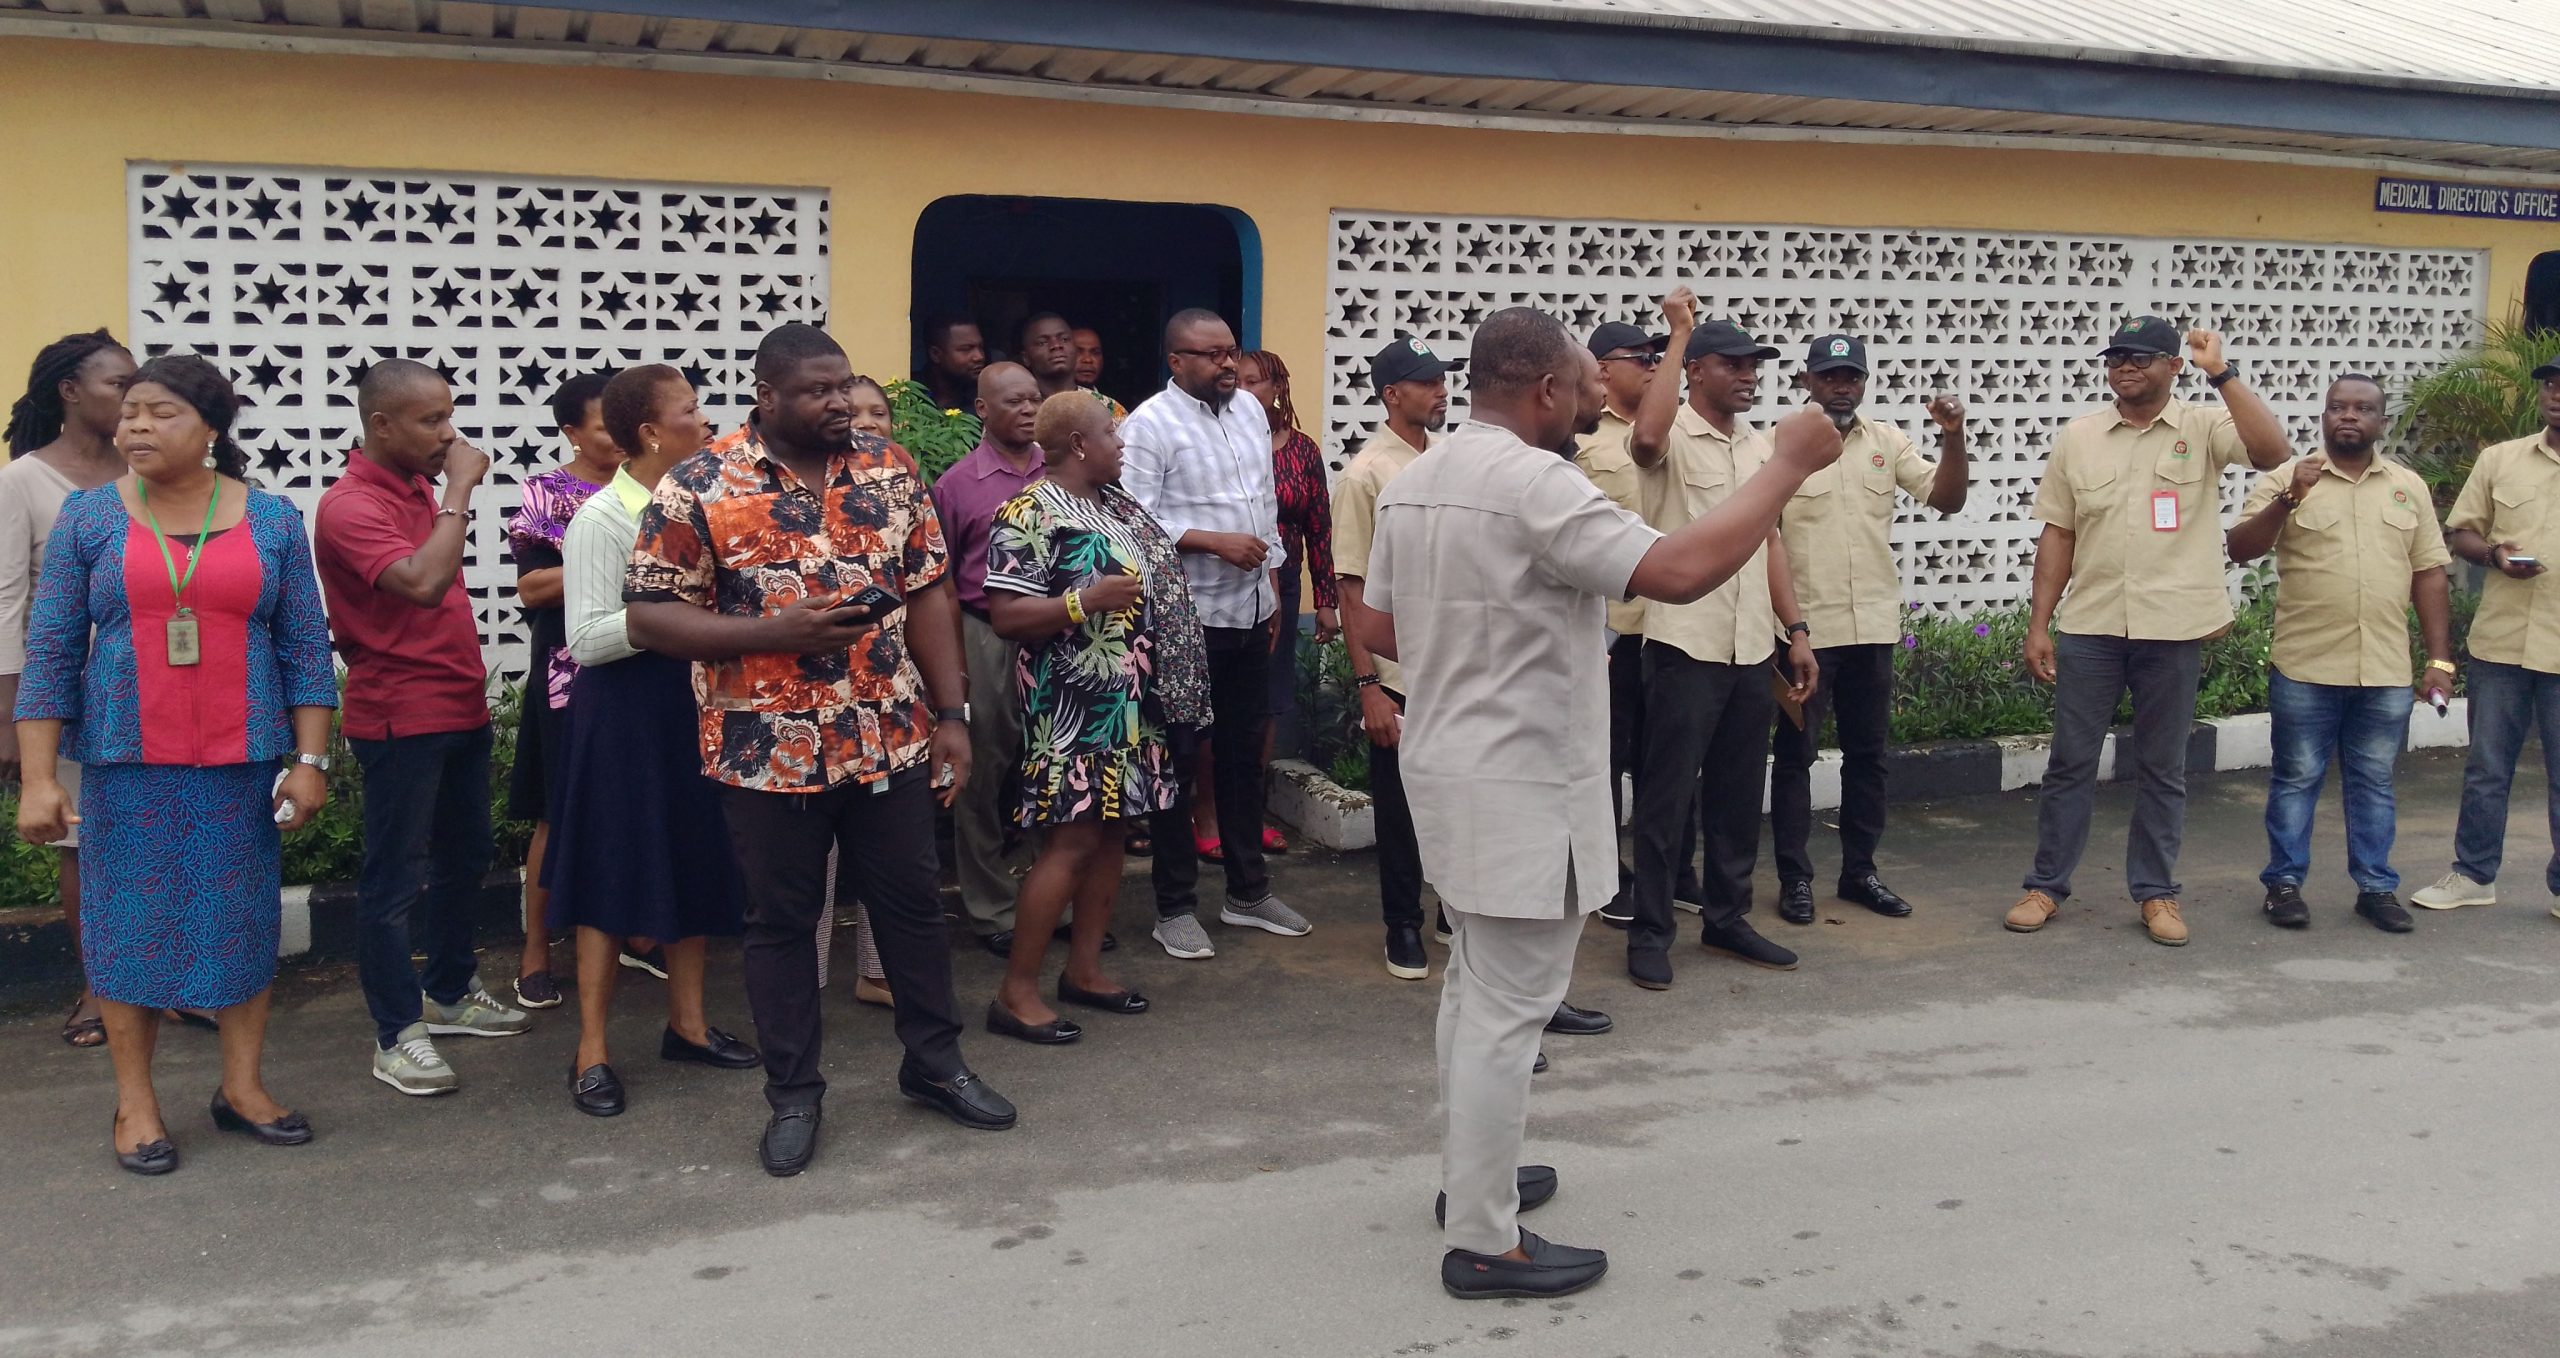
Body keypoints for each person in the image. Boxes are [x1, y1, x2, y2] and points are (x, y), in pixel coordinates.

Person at [1353, 305, 1841, 1299]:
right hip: (1517, 780)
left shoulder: (1421, 478)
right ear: (1543, 390)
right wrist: (1783, 465)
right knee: (1507, 1010)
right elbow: (1679, 569)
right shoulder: (1535, 481)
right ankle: (1485, 1237)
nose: (1592, 400)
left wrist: (1478, 644)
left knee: (1472, 988)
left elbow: (1379, 621)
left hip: (1450, 767)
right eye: (1582, 384)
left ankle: (1471, 1180)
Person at [626, 322, 1013, 1177]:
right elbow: (650, 616)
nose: (839, 402)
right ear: (767, 396)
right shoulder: (699, 485)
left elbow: (929, 592)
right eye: (817, 390)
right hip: (768, 751)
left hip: (890, 737)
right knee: (781, 927)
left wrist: (953, 713)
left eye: (844, 386)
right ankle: (794, 1093)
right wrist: (771, 630)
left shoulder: (890, 468)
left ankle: (935, 1064)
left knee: (912, 908)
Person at [13, 353, 339, 1174]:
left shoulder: (271, 520)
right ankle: (137, 1101)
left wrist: (309, 759)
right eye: (129, 414)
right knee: (128, 930)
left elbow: (304, 648)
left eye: (159, 414)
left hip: (239, 763)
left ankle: (242, 1089)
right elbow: (50, 653)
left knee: (241, 925)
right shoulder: (90, 518)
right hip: (129, 764)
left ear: (211, 429)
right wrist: (42, 776)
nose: (136, 428)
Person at [2003, 317, 2291, 945]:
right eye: (2116, 357)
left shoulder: (2204, 425)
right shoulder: (2079, 437)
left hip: (2172, 628)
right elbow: (2058, 533)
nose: (2125, 367)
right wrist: (2038, 624)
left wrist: (2222, 372)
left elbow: (2273, 453)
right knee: (2070, 763)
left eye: (2140, 356)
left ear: (2173, 366)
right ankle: (2046, 886)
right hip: (2093, 626)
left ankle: (2157, 894)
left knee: (2162, 768)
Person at [544, 364, 757, 1116]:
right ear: (649, 433)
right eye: (692, 411)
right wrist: (680, 616)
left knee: (695, 857)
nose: (706, 424)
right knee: (611, 875)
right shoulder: (603, 519)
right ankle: (593, 1049)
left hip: (694, 702)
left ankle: (689, 1025)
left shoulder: (707, 504)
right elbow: (589, 639)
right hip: (625, 717)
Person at [315, 358, 531, 1097]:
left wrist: (442, 493)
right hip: (400, 716)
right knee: (394, 878)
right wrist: (460, 491)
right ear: (381, 424)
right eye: (430, 420)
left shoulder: (414, 488)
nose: (449, 433)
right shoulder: (349, 506)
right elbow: (422, 583)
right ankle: (395, 1034)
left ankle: (448, 993)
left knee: (467, 855)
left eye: (448, 415)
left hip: (458, 704)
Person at [979, 391, 1210, 1042]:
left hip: (1133, 703)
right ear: (1079, 444)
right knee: (1072, 842)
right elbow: (1006, 616)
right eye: (1112, 435)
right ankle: (1015, 993)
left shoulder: (1109, 506)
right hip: (1072, 706)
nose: (1122, 444)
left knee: (1112, 834)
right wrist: (1086, 601)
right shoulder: (1028, 511)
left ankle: (1083, 971)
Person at [1622, 316, 1816, 988]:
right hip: (1684, 642)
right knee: (1667, 799)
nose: (1748, 376)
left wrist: (1795, 631)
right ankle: (1650, 933)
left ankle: (1727, 919)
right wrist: (1677, 336)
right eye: (1732, 364)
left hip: (1749, 645)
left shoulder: (1762, 450)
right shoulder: (1670, 436)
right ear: (1697, 370)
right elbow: (1644, 438)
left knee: (1738, 794)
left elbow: (1771, 543)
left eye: (1753, 365)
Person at [2227, 374, 2452, 932]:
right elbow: (2240, 548)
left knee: (2373, 781)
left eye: (2362, 409)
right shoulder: (2289, 477)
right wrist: (2287, 499)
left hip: (2384, 668)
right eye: (2337, 408)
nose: (2348, 417)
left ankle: (2376, 889)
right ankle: (2283, 885)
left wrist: (2439, 660)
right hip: (2306, 665)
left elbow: (2429, 573)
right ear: (2324, 417)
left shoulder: (2408, 487)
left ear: (2381, 421)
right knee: (2297, 777)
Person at [1120, 308, 1311, 960]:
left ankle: (1247, 892)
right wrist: (1208, 542)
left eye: (1230, 352)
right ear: (1176, 361)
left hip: (1251, 615)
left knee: (1240, 759)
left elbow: (1263, 506)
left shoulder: (1251, 414)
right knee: (1178, 763)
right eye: (1209, 355)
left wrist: (1276, 594)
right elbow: (1131, 522)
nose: (1226, 365)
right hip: (1183, 623)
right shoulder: (1149, 426)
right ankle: (1173, 906)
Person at [1769, 334, 1970, 925]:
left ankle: (1859, 873)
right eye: (1830, 375)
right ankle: (1794, 879)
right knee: (1794, 757)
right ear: (1806, 380)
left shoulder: (1886, 442)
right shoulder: (1777, 445)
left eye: (1852, 375)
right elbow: (1765, 539)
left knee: (1868, 758)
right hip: (1803, 634)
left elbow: (1948, 498)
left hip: (1871, 629)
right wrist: (1790, 626)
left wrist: (1953, 437)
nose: (1842, 385)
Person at [2, 329, 136, 1049]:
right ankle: (98, 988)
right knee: (87, 847)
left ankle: (166, 985)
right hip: (72, 697)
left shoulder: (148, 471)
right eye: (117, 383)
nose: (131, 397)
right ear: (70, 390)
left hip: (157, 690)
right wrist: (12, 714)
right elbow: (6, 602)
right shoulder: (25, 481)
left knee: (159, 838)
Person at [2411, 358, 2560, 916]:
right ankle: (2473, 875)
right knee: (2487, 768)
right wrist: (2495, 555)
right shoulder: (2502, 459)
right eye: (2550, 384)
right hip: (2503, 646)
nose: (2555, 395)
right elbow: (2461, 533)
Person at [505, 370, 621, 1011]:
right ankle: (536, 952)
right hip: (568, 678)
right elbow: (531, 588)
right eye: (603, 424)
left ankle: (633, 934)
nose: (618, 436)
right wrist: (608, 555)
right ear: (571, 431)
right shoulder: (547, 493)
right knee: (559, 811)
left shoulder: (655, 489)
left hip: (643, 669)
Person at [1575, 307, 1695, 927]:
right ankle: (1607, 874)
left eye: (1658, 359)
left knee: (1668, 755)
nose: (1653, 369)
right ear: (1602, 369)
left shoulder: (1674, 430)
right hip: (1615, 627)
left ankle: (1671, 868)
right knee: (1609, 757)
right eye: (1641, 359)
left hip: (1671, 623)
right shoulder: (1584, 442)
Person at [1332, 337, 1444, 977]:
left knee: (1455, 800)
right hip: (1398, 671)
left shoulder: (1449, 459)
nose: (1441, 392)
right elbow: (1351, 590)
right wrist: (1369, 684)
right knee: (1400, 811)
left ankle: (1452, 912)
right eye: (1426, 383)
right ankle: (1401, 925)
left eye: (1442, 381)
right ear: (1392, 394)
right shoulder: (1368, 474)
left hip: (1452, 665)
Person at [930, 363, 1048, 956]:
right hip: (986, 635)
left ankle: (1052, 901)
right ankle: (991, 906)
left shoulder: (1063, 472)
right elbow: (941, 582)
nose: (1028, 410)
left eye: (1035, 400)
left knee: (1053, 769)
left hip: (1058, 633)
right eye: (1013, 401)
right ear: (981, 410)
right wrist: (955, 666)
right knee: (983, 776)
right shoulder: (958, 485)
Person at [1232, 347, 1339, 859]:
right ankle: (1205, 813)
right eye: (1242, 381)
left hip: (1285, 584)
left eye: (1260, 382)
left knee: (1269, 703)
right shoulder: (1224, 444)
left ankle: (1251, 813)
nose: (1251, 390)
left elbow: (1319, 526)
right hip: (1228, 582)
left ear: (1279, 388)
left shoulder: (1302, 450)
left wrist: (1326, 600)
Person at [1021, 312, 1126, 420]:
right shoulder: (1021, 410)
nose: (1056, 345)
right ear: (1026, 358)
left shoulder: (1109, 408)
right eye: (1042, 342)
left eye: (1064, 339)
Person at [920, 314, 987, 414]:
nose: (979, 356)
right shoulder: (910, 394)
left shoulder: (986, 401)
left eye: (981, 347)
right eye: (966, 349)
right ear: (935, 354)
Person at [1072, 326, 1106, 393]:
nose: (1088, 360)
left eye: (1095, 353)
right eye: (1078, 352)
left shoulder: (1110, 403)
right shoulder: (1049, 402)